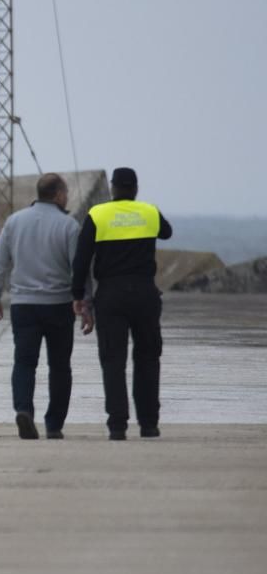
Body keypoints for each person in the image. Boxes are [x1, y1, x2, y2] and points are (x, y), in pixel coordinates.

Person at [0, 173, 94, 440]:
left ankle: (24, 410)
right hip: (58, 306)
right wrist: (86, 301)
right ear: (57, 194)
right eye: (65, 193)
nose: (66, 198)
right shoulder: (68, 225)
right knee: (59, 366)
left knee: (24, 362)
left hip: (24, 306)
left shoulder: (14, 222)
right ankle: (54, 425)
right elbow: (78, 269)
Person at [72, 167, 172, 440]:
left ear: (113, 188)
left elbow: (81, 260)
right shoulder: (149, 211)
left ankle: (117, 425)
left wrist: (78, 295)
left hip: (111, 295)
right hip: (144, 292)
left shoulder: (97, 215)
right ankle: (149, 423)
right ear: (136, 188)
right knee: (149, 357)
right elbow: (167, 232)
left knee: (113, 360)